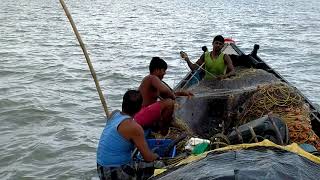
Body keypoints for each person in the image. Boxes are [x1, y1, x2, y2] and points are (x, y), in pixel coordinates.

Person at [96, 90, 158, 180]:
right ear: (140, 108)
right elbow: (148, 157)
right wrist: (157, 156)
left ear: (123, 103)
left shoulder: (114, 114)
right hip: (114, 171)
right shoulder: (134, 127)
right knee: (154, 164)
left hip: (101, 167)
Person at [134, 57, 193, 135]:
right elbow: (166, 91)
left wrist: (183, 93)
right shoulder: (152, 78)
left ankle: (157, 130)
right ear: (157, 70)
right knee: (169, 103)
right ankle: (163, 135)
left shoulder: (153, 83)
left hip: (143, 115)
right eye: (163, 70)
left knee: (168, 109)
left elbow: (169, 93)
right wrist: (173, 97)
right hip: (140, 115)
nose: (165, 73)